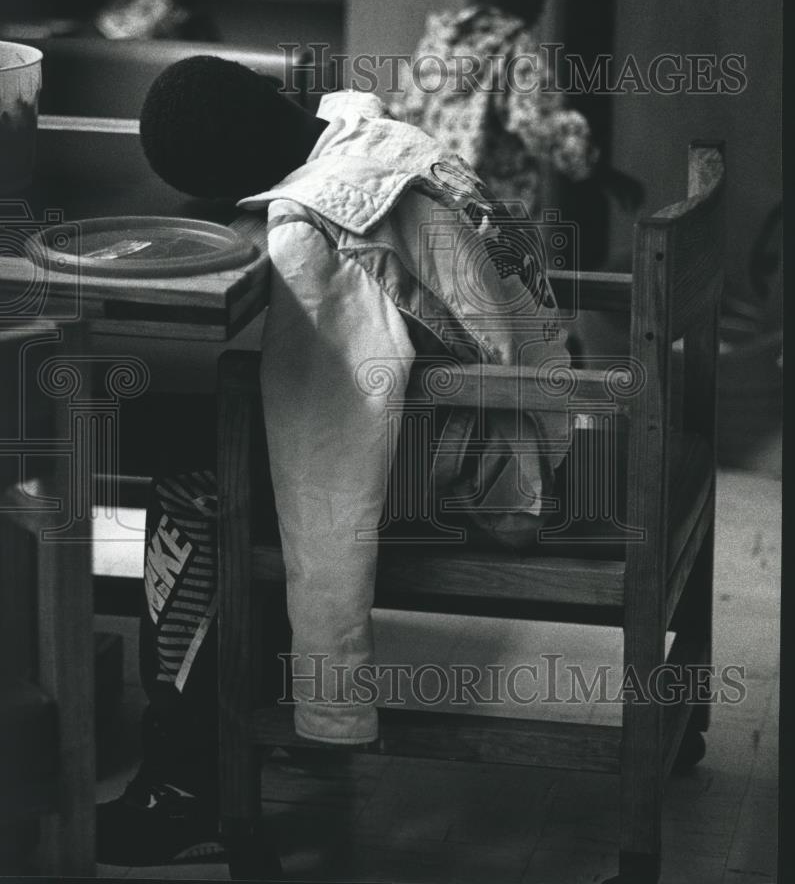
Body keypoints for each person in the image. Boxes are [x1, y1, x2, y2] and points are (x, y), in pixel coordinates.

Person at [97, 55, 573, 866]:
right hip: (538, 415)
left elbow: (327, 462)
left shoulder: (318, 238)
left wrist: (333, 688)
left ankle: (186, 781)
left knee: (195, 476)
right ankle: (247, 707)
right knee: (222, 437)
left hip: (490, 471)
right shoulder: (380, 138)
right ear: (278, 98)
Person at [394, 0, 643, 267]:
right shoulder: (514, 47)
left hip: (425, 211)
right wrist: (601, 171)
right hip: (487, 225)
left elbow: (405, 113)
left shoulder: (435, 43)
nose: (543, 3)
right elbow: (540, 124)